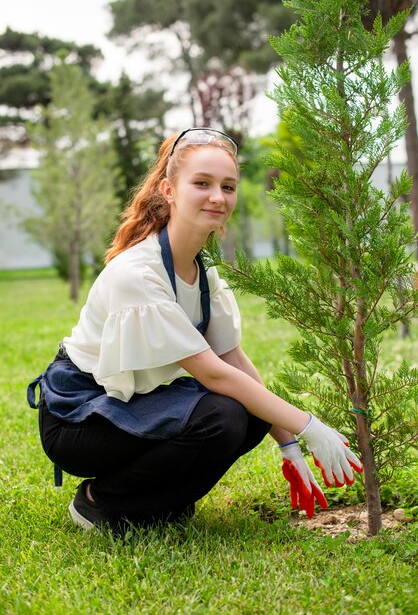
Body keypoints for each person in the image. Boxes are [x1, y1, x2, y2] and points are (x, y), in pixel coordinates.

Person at [27, 127, 363, 535]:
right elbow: (214, 374)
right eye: (201, 183)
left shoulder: (203, 272)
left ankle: (157, 506)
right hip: (78, 417)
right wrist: (311, 427)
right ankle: (101, 503)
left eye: (228, 186)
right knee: (222, 414)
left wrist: (288, 441)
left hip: (127, 405)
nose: (218, 197)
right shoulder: (138, 273)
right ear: (169, 190)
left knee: (252, 413)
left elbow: (233, 360)